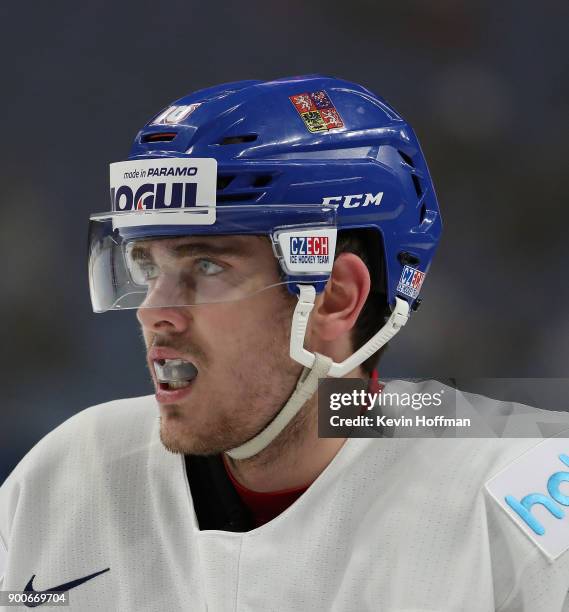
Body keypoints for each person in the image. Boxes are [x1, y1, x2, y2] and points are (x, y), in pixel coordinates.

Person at [1, 75, 568, 611]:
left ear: (335, 297)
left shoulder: (520, 501)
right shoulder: (66, 476)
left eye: (206, 265)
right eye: (147, 265)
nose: (154, 312)